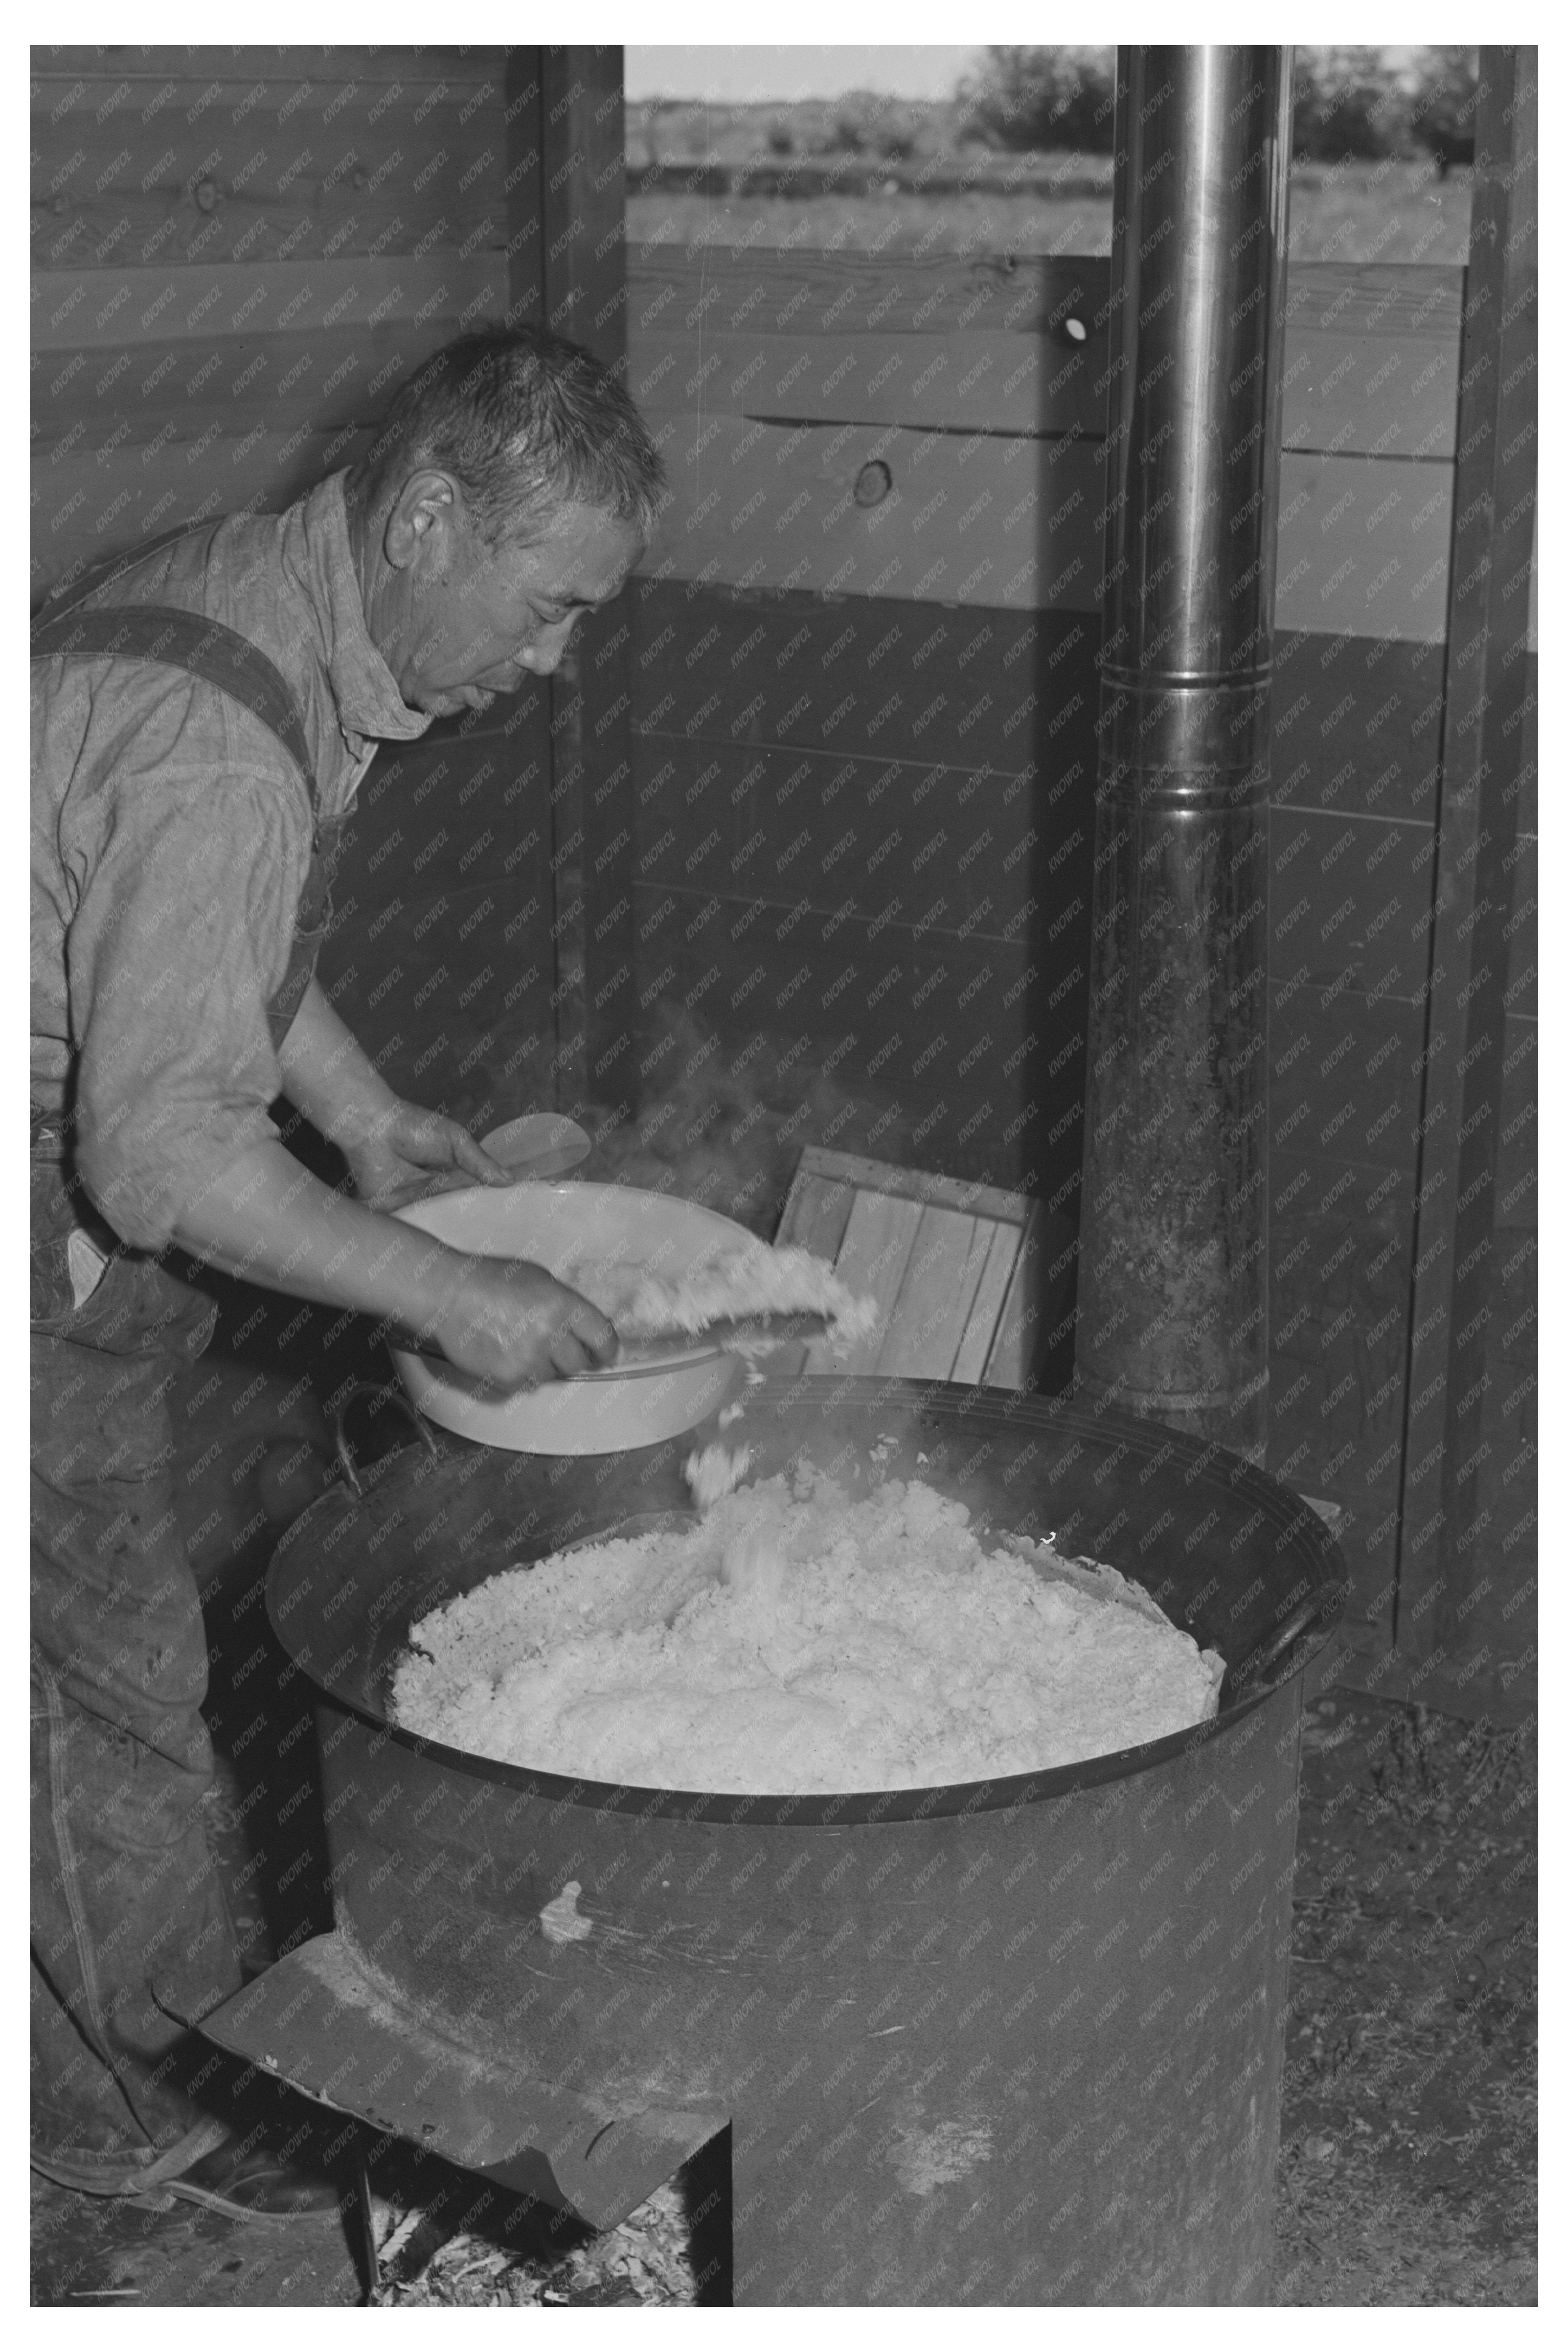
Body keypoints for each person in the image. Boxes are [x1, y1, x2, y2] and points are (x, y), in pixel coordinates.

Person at [31, 327, 663, 2221]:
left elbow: (210, 962)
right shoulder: (224, 743)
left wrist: (373, 1120)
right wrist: (441, 1288)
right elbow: (154, 1155)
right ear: (427, 518)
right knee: (97, 1687)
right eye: (546, 607)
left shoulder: (260, 594)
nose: (552, 663)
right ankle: (136, 2121)